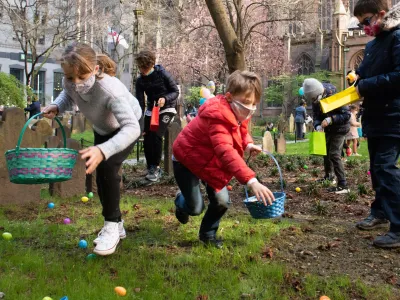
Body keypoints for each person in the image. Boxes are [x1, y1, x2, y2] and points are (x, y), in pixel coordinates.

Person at [42, 43, 142, 256]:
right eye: (70, 78)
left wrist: (104, 150)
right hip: (102, 128)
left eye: (82, 77)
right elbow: (70, 96)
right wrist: (57, 106)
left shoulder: (110, 90)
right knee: (101, 173)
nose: (76, 84)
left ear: (96, 70)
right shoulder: (70, 81)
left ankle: (112, 225)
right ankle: (116, 223)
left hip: (127, 126)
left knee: (108, 167)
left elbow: (132, 127)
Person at [172, 70, 275, 249]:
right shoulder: (217, 117)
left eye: (253, 104)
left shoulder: (238, 113)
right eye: (245, 103)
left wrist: (248, 144)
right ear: (229, 97)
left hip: (209, 163)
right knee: (195, 207)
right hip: (187, 160)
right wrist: (251, 180)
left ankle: (208, 234)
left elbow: (242, 131)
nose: (250, 108)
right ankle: (181, 201)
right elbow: (226, 152)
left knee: (221, 201)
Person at [353, 0, 400, 248]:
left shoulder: (397, 38)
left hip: (394, 116)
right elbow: (364, 74)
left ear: (382, 14)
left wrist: (366, 85)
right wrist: (357, 80)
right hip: (375, 116)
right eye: (360, 23)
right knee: (377, 168)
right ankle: (381, 212)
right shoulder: (372, 46)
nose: (364, 27)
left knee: (385, 167)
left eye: (367, 20)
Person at [135, 50, 179, 182]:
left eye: (145, 67)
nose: (142, 70)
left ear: (151, 65)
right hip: (151, 109)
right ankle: (150, 167)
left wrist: (165, 99)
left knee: (156, 134)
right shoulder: (140, 81)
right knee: (147, 135)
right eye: (140, 67)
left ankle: (157, 168)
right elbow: (140, 102)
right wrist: (140, 122)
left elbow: (175, 91)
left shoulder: (163, 74)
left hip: (167, 108)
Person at [304, 78, 351, 193]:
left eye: (314, 99)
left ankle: (343, 184)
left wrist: (331, 119)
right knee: (326, 153)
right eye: (312, 99)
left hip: (340, 128)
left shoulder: (335, 96)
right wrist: (317, 125)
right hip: (328, 128)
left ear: (319, 93)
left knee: (334, 154)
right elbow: (316, 115)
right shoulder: (315, 99)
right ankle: (329, 176)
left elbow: (347, 115)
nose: (313, 101)